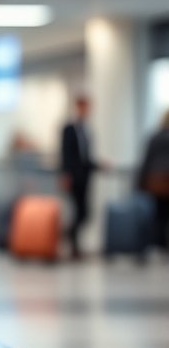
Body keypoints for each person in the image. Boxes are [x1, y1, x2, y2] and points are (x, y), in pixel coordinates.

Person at [60, 95, 99, 259]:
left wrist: (98, 165)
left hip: (85, 177)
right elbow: (66, 154)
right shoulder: (69, 128)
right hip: (73, 177)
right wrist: (65, 174)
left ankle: (69, 237)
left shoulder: (86, 129)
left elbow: (85, 157)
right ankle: (72, 243)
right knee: (78, 211)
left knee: (85, 213)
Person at [138, 109, 169, 253]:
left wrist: (140, 181)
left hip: (156, 181)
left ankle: (160, 244)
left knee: (159, 214)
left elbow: (147, 160)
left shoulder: (155, 137)